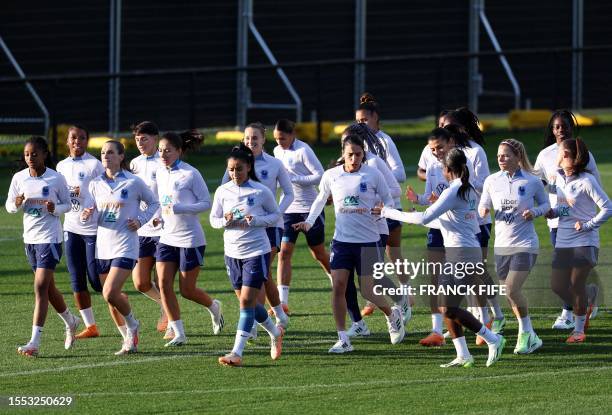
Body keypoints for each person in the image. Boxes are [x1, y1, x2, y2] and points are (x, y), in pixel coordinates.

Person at [381, 148, 505, 367]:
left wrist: (388, 212)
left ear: (447, 169)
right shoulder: (465, 190)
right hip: (462, 253)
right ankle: (463, 354)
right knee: (444, 304)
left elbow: (424, 218)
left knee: (447, 307)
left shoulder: (454, 191)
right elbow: (447, 222)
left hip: (463, 255)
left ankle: (492, 338)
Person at [294, 134, 405, 353]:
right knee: (338, 287)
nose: (354, 159)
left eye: (358, 154)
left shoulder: (373, 174)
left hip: (369, 241)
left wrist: (383, 208)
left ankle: (393, 315)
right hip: (342, 242)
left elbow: (390, 199)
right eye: (350, 154)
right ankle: (343, 338)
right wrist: (308, 221)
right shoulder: (331, 176)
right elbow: (319, 199)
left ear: (363, 154)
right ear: (342, 154)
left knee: (368, 291)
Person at [82, 140, 159, 355]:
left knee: (109, 292)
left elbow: (153, 203)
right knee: (111, 298)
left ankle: (133, 325)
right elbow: (94, 210)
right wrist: (88, 214)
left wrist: (141, 220)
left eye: (110, 152)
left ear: (121, 156)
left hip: (126, 244)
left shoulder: (134, 182)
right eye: (103, 153)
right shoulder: (95, 183)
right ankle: (128, 339)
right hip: (103, 245)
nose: (106, 156)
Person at [6, 136, 80, 357]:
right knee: (49, 288)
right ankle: (71, 320)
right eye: (27, 154)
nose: (30, 158)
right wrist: (16, 204)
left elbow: (67, 204)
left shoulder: (56, 179)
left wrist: (54, 208)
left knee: (40, 287)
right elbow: (9, 205)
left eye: (34, 154)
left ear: (45, 154)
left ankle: (34, 342)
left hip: (51, 239)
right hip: (30, 240)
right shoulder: (19, 178)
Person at [211, 144, 285, 366]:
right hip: (232, 254)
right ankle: (275, 332)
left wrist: (257, 221)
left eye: (239, 169)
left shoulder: (260, 191)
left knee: (245, 301)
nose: (235, 174)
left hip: (256, 252)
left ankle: (236, 353)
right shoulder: (223, 191)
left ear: (249, 167)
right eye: (231, 169)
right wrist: (225, 220)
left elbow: (275, 215)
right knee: (249, 304)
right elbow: (214, 220)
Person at [222, 122, 292, 339]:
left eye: (255, 138)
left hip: (270, 226)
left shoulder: (274, 164)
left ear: (264, 140)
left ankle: (251, 323)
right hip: (244, 230)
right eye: (247, 138)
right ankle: (280, 315)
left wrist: (274, 215)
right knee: (263, 274)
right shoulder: (237, 164)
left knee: (258, 275)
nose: (250, 142)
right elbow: (225, 191)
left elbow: (289, 193)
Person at [479, 139, 549, 354]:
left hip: (525, 244)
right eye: (499, 155)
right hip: (501, 245)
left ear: (518, 158)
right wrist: (483, 210)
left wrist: (534, 212)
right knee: (509, 293)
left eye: (506, 155)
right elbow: (484, 202)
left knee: (512, 288)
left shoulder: (532, 181)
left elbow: (546, 204)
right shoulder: (491, 181)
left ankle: (526, 332)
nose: (501, 158)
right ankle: (531, 336)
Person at [155, 130, 224, 346]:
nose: (163, 154)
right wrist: (158, 218)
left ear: (179, 151)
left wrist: (180, 207)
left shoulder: (190, 174)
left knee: (187, 290)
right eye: (160, 150)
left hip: (190, 239)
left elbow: (206, 202)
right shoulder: (160, 172)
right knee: (164, 284)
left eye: (167, 150)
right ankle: (179, 333)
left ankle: (213, 306)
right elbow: (161, 202)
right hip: (167, 237)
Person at [534, 110, 601, 329]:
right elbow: (538, 183)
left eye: (564, 126)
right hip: (557, 222)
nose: (560, 130)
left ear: (572, 128)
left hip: (579, 222)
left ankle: (568, 314)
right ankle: (587, 297)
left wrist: (588, 219)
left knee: (573, 275)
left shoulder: (583, 153)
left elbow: (593, 187)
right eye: (556, 127)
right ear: (552, 130)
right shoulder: (545, 155)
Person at [440, 115, 506, 339]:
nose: (441, 132)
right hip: (457, 224)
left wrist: (462, 190)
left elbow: (485, 184)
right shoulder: (443, 155)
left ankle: (493, 315)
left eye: (445, 128)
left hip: (477, 220)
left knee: (478, 272)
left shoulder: (474, 152)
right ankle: (473, 317)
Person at [339, 124, 404, 338]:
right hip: (348, 234)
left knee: (372, 280)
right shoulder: (340, 168)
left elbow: (394, 190)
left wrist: (375, 204)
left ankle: (401, 302)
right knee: (345, 280)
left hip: (375, 228)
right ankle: (358, 323)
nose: (350, 153)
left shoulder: (375, 163)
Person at [545, 138, 611, 343]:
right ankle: (589, 297)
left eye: (560, 152)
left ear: (567, 156)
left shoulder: (587, 181)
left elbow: (608, 208)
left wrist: (588, 225)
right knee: (557, 286)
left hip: (585, 240)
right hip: (564, 240)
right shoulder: (560, 179)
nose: (556, 156)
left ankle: (578, 330)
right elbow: (566, 208)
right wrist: (552, 212)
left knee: (575, 283)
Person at [355, 93, 411, 321]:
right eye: (357, 121)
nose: (361, 125)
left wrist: (378, 176)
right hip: (368, 210)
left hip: (389, 207)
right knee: (372, 256)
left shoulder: (385, 142)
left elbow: (400, 173)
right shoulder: (356, 145)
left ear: (375, 119)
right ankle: (374, 298)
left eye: (364, 120)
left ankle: (405, 295)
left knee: (392, 254)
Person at [273, 119, 329, 313]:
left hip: (310, 208)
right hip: (289, 208)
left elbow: (320, 175)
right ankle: (283, 302)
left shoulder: (303, 151)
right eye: (276, 138)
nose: (279, 142)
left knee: (318, 253)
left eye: (282, 138)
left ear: (292, 135)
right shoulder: (277, 151)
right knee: (284, 252)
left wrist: (294, 179)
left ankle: (339, 282)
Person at [56, 126, 105, 339]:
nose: (77, 141)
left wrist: (92, 207)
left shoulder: (94, 164)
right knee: (76, 279)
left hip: (93, 229)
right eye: (73, 138)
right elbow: (58, 194)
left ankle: (124, 313)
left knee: (96, 280)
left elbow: (105, 190)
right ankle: (91, 326)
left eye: (82, 138)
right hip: (71, 228)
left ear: (87, 141)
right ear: (67, 141)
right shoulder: (61, 166)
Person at [129, 121, 167, 336]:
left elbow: (167, 195)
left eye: (144, 138)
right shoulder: (133, 164)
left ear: (155, 138)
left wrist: (161, 217)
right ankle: (165, 305)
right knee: (141, 282)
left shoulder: (163, 162)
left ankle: (172, 320)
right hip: (140, 229)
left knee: (163, 280)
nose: (140, 143)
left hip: (162, 229)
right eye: (137, 139)